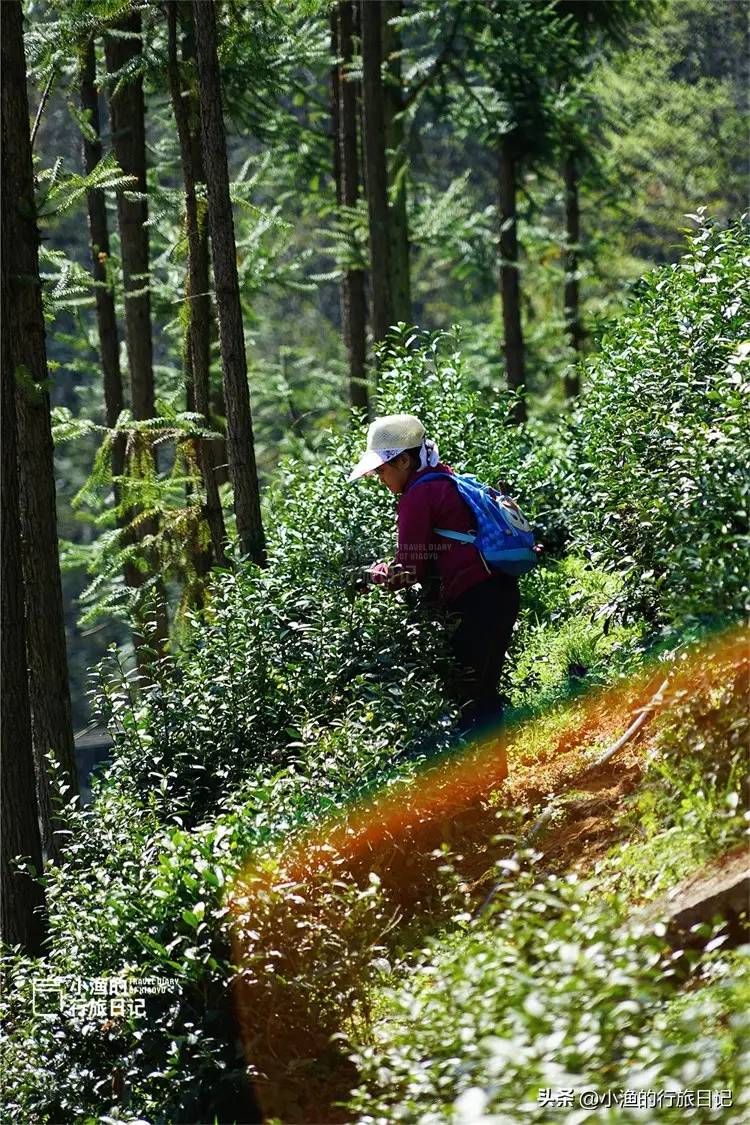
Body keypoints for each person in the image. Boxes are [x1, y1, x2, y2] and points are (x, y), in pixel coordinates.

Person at [348, 413, 520, 737]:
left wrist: (378, 575)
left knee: (471, 693)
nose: (380, 479)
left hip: (476, 602)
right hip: (500, 592)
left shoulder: (417, 496)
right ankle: (492, 777)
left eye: (382, 470)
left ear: (403, 461)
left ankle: (482, 781)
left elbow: (410, 569)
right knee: (482, 689)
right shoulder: (444, 479)